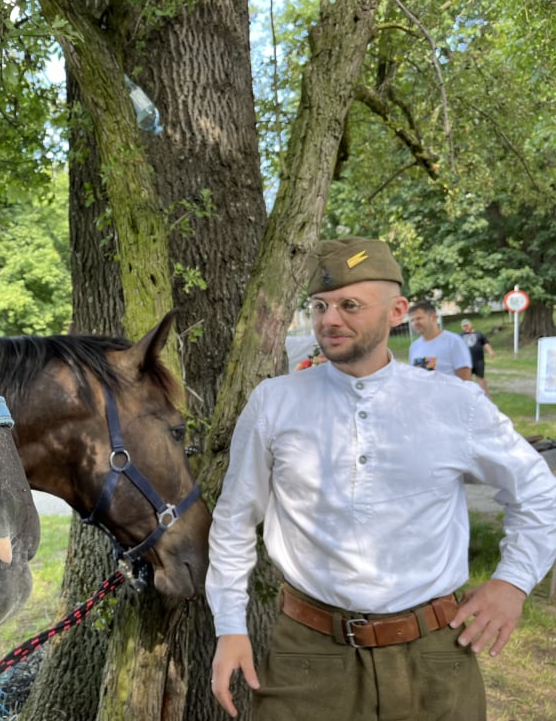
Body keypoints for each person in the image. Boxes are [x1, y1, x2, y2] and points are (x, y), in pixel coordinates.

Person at [206, 236, 556, 721]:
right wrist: (230, 627)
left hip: (435, 656)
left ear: (397, 312)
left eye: (350, 305)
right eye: (320, 305)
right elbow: (234, 522)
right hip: (308, 656)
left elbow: (539, 492)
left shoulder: (455, 405)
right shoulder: (274, 403)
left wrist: (513, 583)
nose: (329, 319)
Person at [408, 300, 472, 380]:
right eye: (412, 320)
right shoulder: (414, 346)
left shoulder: (453, 341)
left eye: (419, 318)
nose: (415, 323)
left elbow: (465, 379)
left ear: (433, 317)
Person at [461, 318, 497, 396]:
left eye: (467, 325)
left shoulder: (479, 334)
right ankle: (468, 395)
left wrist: (490, 351)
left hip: (479, 361)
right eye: (464, 326)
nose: (466, 327)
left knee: (480, 378)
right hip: (466, 362)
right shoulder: (460, 336)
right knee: (467, 379)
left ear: (471, 325)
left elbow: (485, 343)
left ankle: (486, 395)